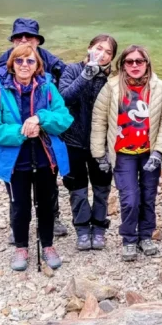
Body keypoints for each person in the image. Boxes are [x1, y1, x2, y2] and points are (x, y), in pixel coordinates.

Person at [0, 45, 73, 271]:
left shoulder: (48, 88)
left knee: (46, 203)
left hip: (45, 157)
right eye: (19, 60)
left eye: (30, 61)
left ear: (37, 65)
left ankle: (48, 245)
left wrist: (40, 119)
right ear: (11, 64)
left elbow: (64, 118)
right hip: (14, 161)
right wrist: (22, 131)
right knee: (19, 205)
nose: (24, 65)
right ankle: (21, 247)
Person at [90, 45, 162, 262]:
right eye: (130, 61)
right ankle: (128, 238)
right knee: (129, 199)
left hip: (148, 152)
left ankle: (145, 235)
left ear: (147, 63)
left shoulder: (160, 88)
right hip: (123, 153)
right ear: (122, 64)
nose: (135, 65)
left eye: (139, 61)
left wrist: (159, 151)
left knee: (148, 196)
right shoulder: (112, 87)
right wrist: (99, 154)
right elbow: (99, 121)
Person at [59, 34, 118, 251]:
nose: (102, 54)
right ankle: (82, 229)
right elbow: (64, 98)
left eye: (108, 52)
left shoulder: (112, 80)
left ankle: (99, 228)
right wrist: (86, 75)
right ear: (89, 47)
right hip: (72, 141)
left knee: (102, 187)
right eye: (98, 48)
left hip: (101, 144)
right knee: (78, 188)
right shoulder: (72, 70)